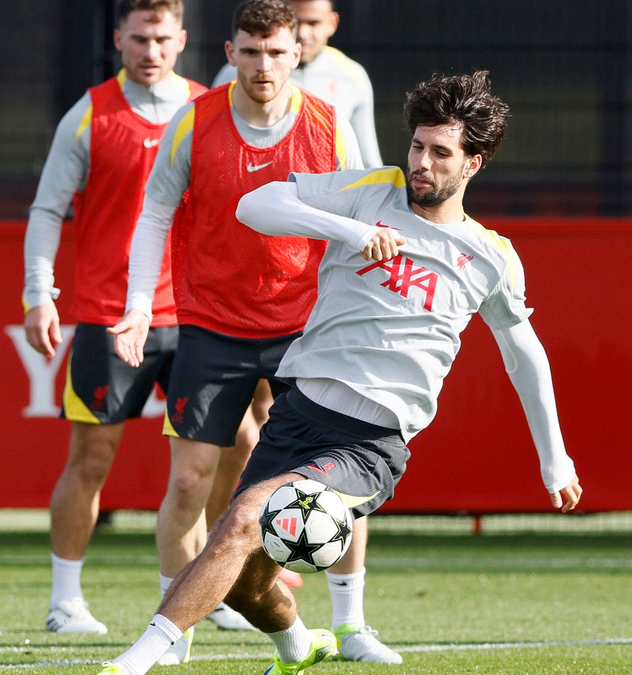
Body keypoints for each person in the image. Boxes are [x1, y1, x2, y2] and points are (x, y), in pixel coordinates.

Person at [99, 69, 583, 675]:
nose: (421, 163)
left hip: (370, 443)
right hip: (299, 415)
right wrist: (350, 231)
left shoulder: (490, 256)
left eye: (440, 152)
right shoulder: (372, 192)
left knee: (247, 516)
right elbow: (257, 203)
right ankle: (301, 646)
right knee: (246, 579)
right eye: (416, 146)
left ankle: (137, 660)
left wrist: (554, 458)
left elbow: (525, 355)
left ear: (473, 164)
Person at [107, 0, 369, 663]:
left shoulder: (329, 125)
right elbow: (155, 213)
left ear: (296, 54)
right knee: (191, 481)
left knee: (339, 475)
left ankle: (352, 625)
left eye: (277, 52)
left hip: (304, 328)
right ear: (230, 54)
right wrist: (141, 304)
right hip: (210, 325)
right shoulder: (194, 123)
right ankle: (178, 626)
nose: (264, 65)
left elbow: (365, 217)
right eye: (250, 51)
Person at [23, 0, 222, 637]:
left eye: (162, 38)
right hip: (112, 315)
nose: (151, 50)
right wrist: (39, 294)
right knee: (91, 458)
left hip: (197, 313)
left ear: (182, 39)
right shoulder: (88, 114)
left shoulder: (209, 109)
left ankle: (215, 590)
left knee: (229, 449)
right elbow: (47, 209)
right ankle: (65, 602)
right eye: (139, 38)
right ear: (119, 40)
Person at [208, 0, 394, 661]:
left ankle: (350, 622)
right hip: (237, 308)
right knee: (242, 450)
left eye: (307, 31)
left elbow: (372, 180)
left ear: (324, 29)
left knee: (347, 458)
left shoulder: (345, 89)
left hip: (319, 307)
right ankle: (234, 589)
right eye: (263, 46)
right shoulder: (221, 101)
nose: (291, 47)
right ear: (237, 51)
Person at [213, 0, 382, 167]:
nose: (302, 32)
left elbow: (368, 164)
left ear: (332, 23)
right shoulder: (235, 73)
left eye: (313, 23)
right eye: (295, 22)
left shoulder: (352, 77)